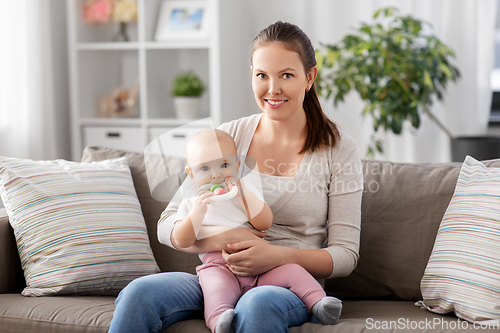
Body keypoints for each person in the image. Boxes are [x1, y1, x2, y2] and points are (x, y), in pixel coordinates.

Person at [108, 20, 363, 333]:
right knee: (138, 294)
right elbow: (167, 225)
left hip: (285, 284)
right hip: (218, 276)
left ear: (309, 77)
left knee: (256, 304)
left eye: (286, 75)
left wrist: (275, 256)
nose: (273, 89)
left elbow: (346, 255)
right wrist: (218, 240)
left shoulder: (338, 149)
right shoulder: (228, 136)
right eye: (262, 75)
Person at [173, 128, 343, 333]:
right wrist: (197, 214)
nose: (216, 174)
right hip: (218, 267)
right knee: (216, 289)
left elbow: (264, 223)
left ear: (237, 165)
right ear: (191, 173)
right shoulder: (191, 202)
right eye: (205, 169)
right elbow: (182, 240)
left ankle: (319, 304)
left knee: (294, 271)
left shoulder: (244, 190)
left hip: (261, 267)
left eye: (224, 165)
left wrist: (243, 196)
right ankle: (219, 320)